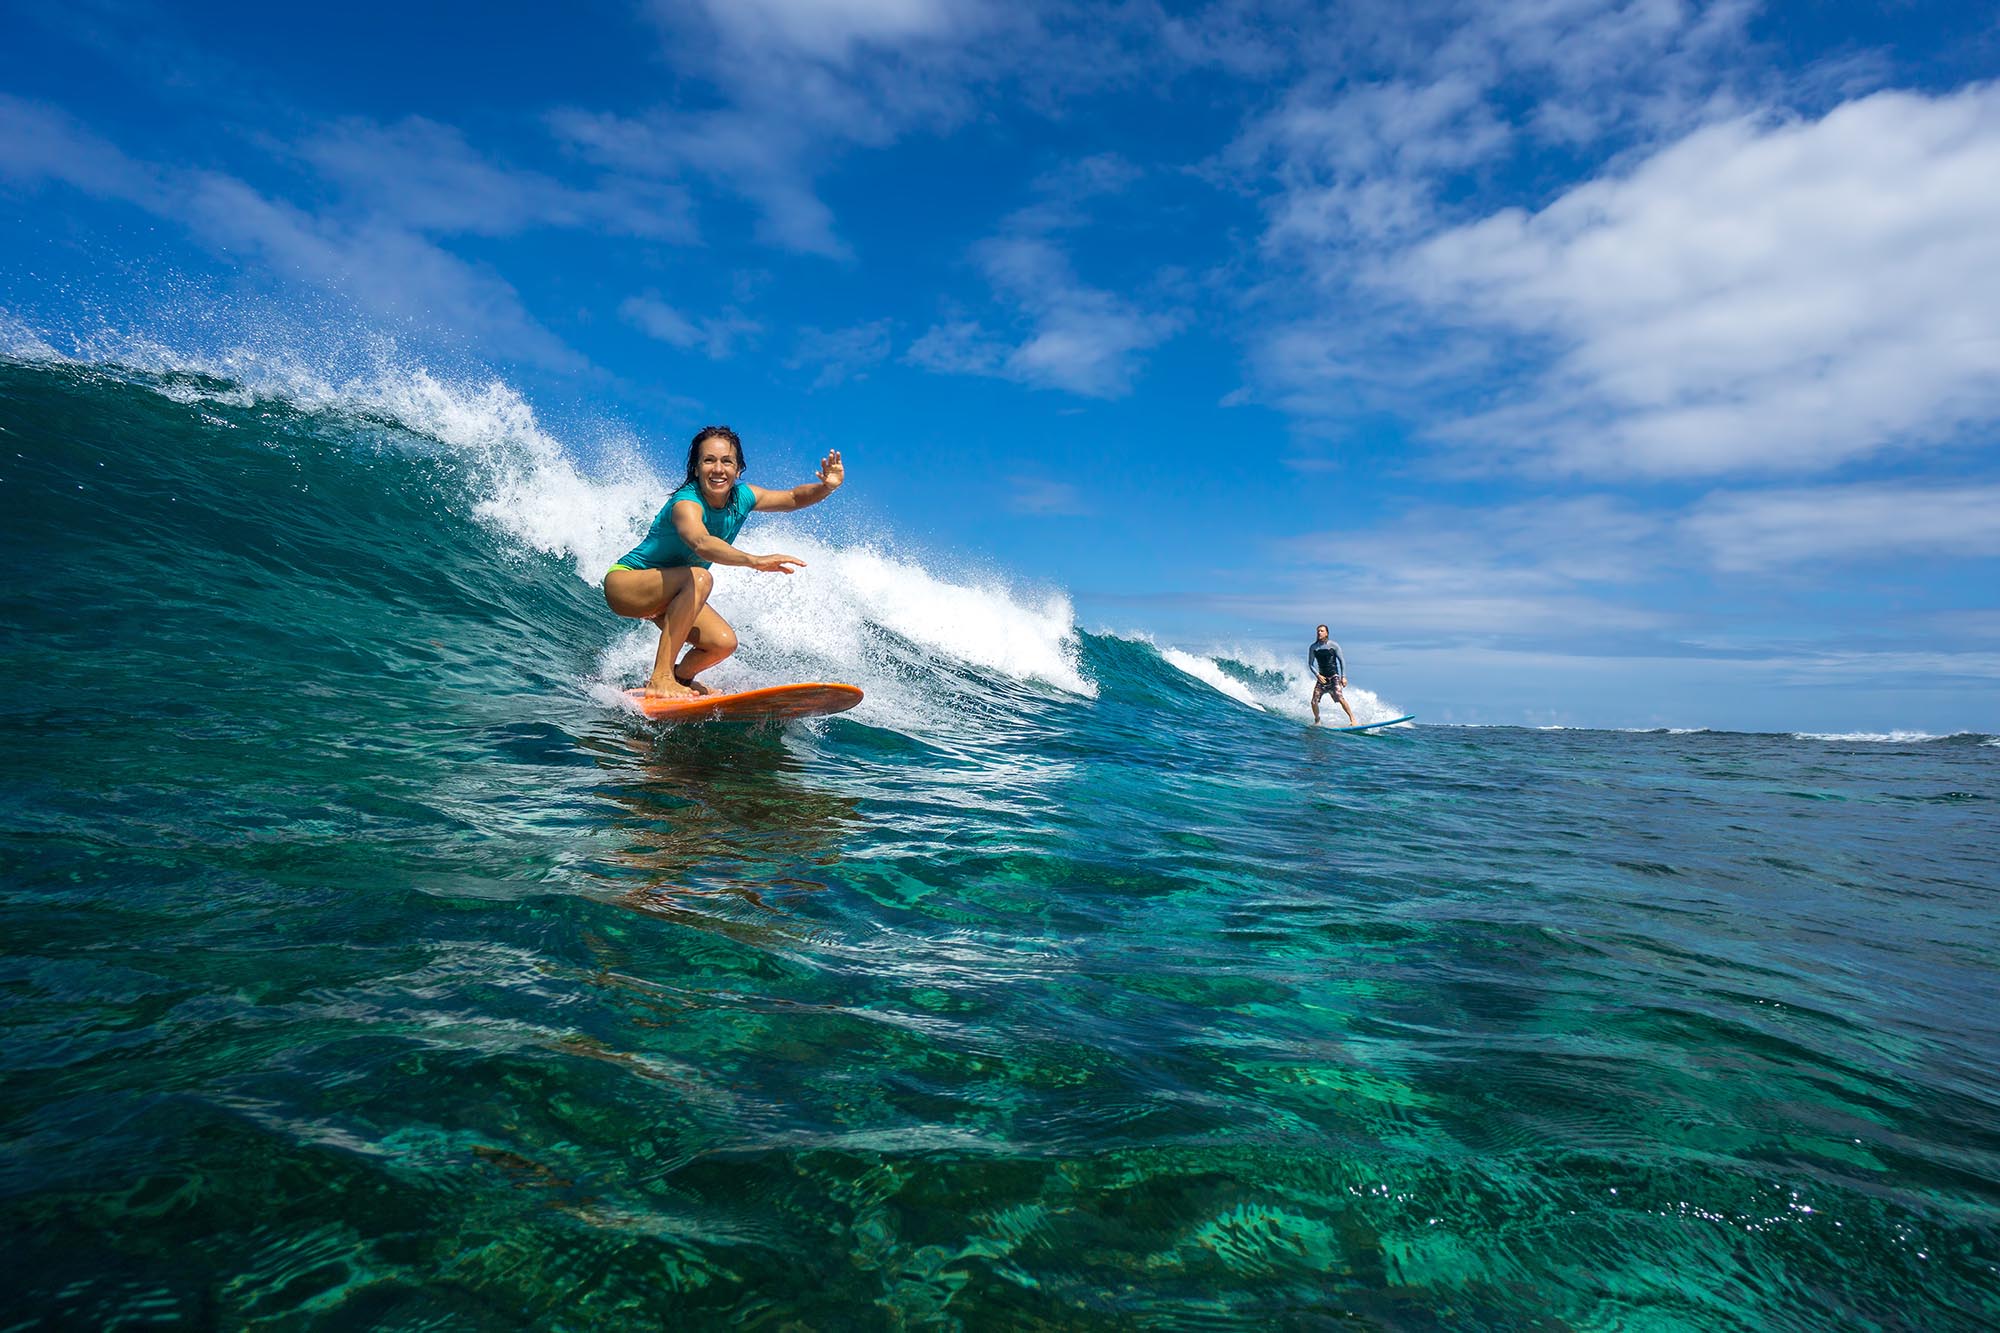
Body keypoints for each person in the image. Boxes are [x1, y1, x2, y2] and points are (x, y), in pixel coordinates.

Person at [604, 425, 843, 698]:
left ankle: (680, 678)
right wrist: (754, 560)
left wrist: (826, 487)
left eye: (726, 461)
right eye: (709, 460)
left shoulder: (744, 497)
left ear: (738, 469)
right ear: (695, 468)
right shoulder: (686, 503)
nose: (718, 469)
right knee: (700, 577)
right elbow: (701, 543)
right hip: (626, 583)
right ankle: (661, 679)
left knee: (722, 644)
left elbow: (792, 498)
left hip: (668, 595)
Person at [1308, 624, 1356, 727]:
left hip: (1334, 676)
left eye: (1321, 631)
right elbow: (1310, 664)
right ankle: (1317, 720)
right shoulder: (1313, 647)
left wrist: (1343, 676)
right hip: (1322, 679)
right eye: (1318, 631)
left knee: (1340, 698)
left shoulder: (1333, 645)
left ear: (1327, 633)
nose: (1319, 633)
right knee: (1314, 701)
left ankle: (1352, 719)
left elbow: (1342, 661)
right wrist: (1317, 675)